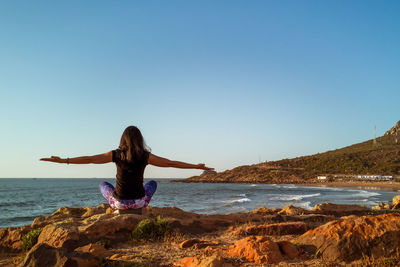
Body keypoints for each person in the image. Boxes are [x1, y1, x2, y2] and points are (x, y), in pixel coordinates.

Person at [41, 126, 214, 210]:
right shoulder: (145, 156)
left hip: (119, 203)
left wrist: (65, 160)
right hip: (139, 203)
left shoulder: (116, 154)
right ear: (140, 139)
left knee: (103, 185)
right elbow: (171, 163)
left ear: (123, 139)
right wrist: (196, 166)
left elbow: (90, 159)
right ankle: (141, 208)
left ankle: (116, 208)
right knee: (152, 184)